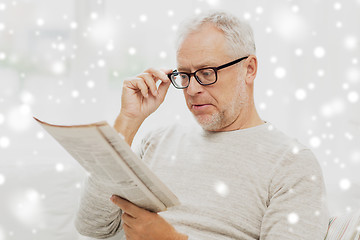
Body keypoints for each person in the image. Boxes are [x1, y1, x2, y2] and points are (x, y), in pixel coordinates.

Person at [75, 11, 330, 240]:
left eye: (207, 73)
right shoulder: (159, 141)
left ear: (249, 69)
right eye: (184, 75)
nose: (193, 89)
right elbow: (93, 226)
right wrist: (128, 121)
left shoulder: (292, 163)